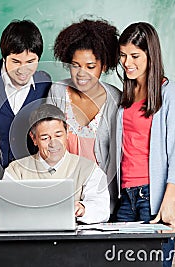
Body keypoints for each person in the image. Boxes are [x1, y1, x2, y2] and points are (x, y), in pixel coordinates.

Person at [114, 22, 175, 267]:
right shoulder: (124, 96)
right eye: (123, 55)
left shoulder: (170, 93)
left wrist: (169, 200)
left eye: (135, 56)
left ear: (151, 55)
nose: (127, 63)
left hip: (153, 197)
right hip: (125, 198)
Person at [46, 19, 121, 218]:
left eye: (90, 66)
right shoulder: (57, 91)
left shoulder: (116, 99)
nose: (81, 74)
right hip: (61, 197)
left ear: (103, 66)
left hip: (101, 200)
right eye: (75, 65)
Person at [0, 104, 110, 224]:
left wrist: (83, 209)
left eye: (58, 135)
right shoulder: (16, 170)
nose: (53, 143)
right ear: (34, 139)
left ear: (67, 132)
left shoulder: (88, 169)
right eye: (45, 138)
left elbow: (102, 208)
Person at [0, 19, 52, 172]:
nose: (23, 69)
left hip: (29, 178)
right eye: (16, 62)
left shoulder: (45, 85)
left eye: (31, 61)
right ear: (4, 58)